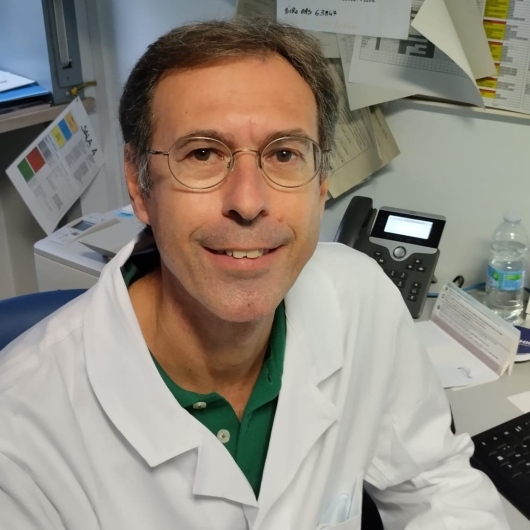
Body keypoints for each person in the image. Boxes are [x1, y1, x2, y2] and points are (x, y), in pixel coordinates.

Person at [0, 16, 508, 530]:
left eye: (284, 153)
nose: (247, 201)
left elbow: (434, 482)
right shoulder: (18, 432)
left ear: (321, 181)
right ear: (138, 183)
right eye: (203, 153)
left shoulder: (360, 299)